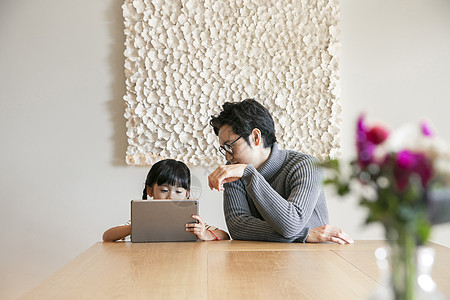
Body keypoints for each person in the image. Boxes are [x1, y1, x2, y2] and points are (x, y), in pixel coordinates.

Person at [208, 99, 353, 244]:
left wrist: (250, 174)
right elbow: (238, 227)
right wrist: (305, 235)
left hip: (313, 257)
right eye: (224, 149)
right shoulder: (236, 170)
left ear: (256, 137)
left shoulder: (307, 166)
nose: (227, 156)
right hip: (261, 256)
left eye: (230, 146)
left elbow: (291, 225)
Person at [103, 159, 229, 242]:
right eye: (164, 190)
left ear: (187, 194)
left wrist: (204, 234)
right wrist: (136, 226)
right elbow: (107, 237)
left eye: (178, 192)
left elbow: (224, 235)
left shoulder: (190, 220)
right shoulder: (144, 219)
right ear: (150, 191)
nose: (171, 196)